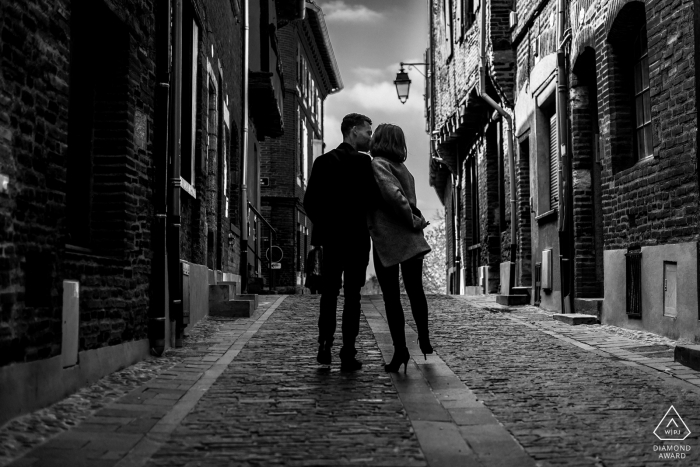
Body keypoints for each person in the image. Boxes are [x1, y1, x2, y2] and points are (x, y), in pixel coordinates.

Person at [303, 113, 373, 371]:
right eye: (368, 131)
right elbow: (372, 202)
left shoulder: (323, 162)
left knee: (329, 294)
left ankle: (324, 344)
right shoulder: (365, 164)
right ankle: (348, 351)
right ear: (353, 131)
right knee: (353, 296)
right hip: (356, 240)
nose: (370, 137)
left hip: (330, 240)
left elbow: (309, 202)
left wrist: (325, 224)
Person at [367, 123, 433, 373]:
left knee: (392, 298)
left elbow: (395, 196)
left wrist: (413, 219)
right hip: (412, 240)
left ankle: (400, 351)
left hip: (390, 238)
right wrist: (415, 222)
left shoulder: (378, 165)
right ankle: (424, 338)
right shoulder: (403, 168)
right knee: (416, 291)